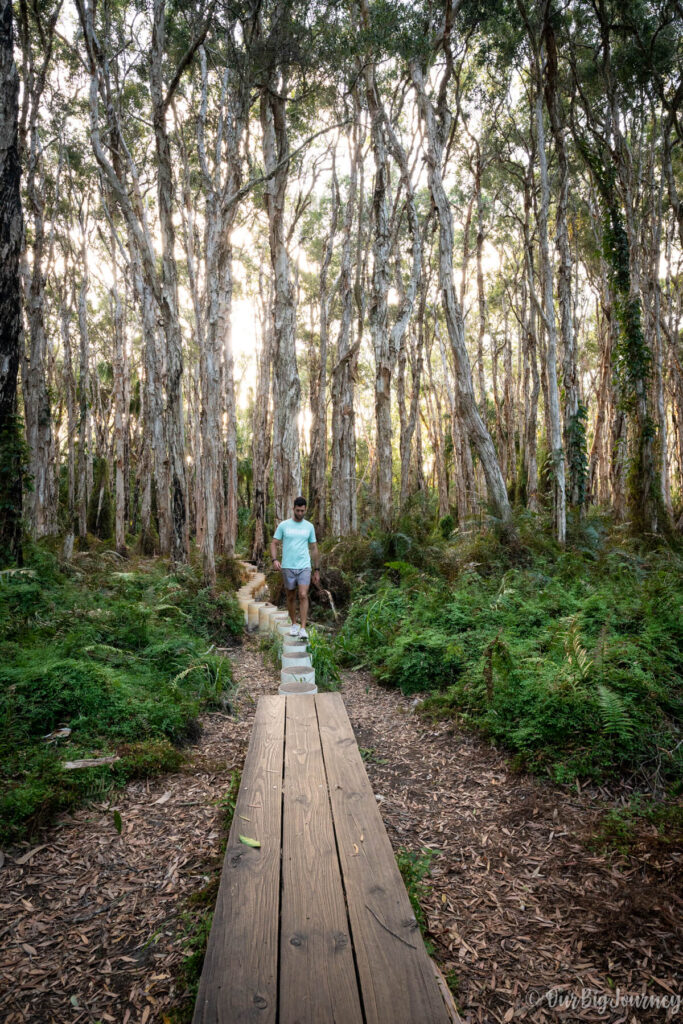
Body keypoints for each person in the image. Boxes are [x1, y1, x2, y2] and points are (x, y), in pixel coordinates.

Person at [270, 496, 320, 639]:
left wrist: (317, 569)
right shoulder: (284, 525)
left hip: (304, 566)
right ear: (293, 509)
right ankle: (294, 624)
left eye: (302, 511)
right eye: (298, 511)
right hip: (288, 567)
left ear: (305, 510)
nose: (300, 513)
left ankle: (303, 628)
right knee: (290, 596)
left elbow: (314, 547)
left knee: (303, 595)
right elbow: (274, 543)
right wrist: (274, 560)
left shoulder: (309, 527)